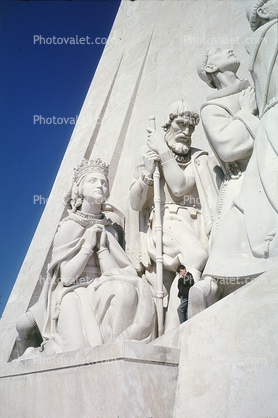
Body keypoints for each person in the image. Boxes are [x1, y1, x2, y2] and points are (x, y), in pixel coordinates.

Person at [16, 158, 155, 356]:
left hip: (98, 289)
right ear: (80, 189)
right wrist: (87, 247)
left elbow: (111, 274)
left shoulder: (110, 230)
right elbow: (67, 278)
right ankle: (34, 354)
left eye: (104, 182)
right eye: (93, 181)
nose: (100, 185)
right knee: (74, 348)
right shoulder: (69, 226)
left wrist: (103, 249)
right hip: (71, 292)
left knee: (126, 291)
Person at [129, 100, 222, 331]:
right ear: (168, 125)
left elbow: (179, 186)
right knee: (197, 255)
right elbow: (135, 202)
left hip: (196, 225)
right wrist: (148, 174)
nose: (186, 132)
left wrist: (163, 151)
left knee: (199, 270)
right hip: (166, 222)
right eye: (181, 124)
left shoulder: (197, 158)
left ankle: (174, 329)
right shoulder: (148, 154)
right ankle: (184, 329)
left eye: (191, 127)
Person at [188, 48, 261, 317]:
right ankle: (212, 288)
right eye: (218, 51)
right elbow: (229, 148)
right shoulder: (212, 108)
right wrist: (247, 112)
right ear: (211, 69)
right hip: (243, 177)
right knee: (229, 245)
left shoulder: (257, 83)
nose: (228, 48)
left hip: (269, 166)